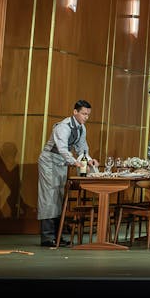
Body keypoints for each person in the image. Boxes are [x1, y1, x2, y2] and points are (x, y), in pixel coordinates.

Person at [37, 100, 96, 248]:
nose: (86, 117)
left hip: (62, 163)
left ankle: (58, 236)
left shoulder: (81, 128)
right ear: (75, 112)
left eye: (88, 114)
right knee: (49, 196)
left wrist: (89, 160)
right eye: (83, 114)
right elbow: (62, 148)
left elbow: (82, 149)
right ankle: (47, 237)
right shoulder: (63, 127)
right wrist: (74, 162)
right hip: (50, 161)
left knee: (59, 197)